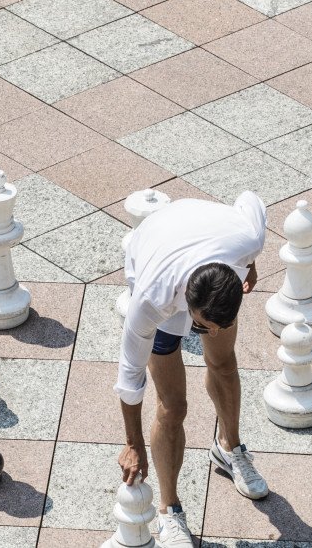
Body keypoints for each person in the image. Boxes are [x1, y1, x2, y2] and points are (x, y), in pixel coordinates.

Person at [115, 191, 271, 547]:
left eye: (219, 324)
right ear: (187, 305)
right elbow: (129, 373)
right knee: (173, 406)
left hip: (208, 240)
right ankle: (170, 512)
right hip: (157, 246)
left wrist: (250, 264)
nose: (209, 332)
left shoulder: (248, 239)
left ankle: (229, 448)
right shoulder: (153, 299)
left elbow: (251, 199)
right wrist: (132, 443)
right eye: (201, 327)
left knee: (224, 362)